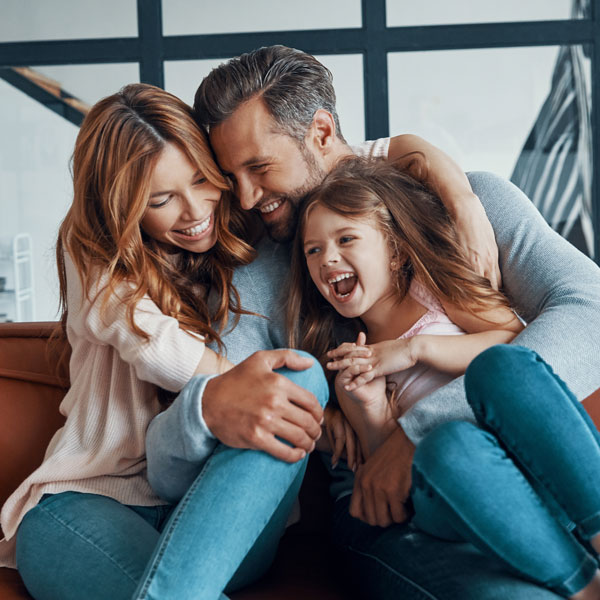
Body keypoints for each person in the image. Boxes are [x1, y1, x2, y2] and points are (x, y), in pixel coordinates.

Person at [148, 44, 600, 599]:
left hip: (513, 473)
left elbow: (591, 315)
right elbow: (214, 413)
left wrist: (417, 432)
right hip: (387, 516)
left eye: (260, 168)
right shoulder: (257, 275)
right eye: (230, 175)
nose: (244, 197)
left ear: (319, 132)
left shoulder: (466, 204)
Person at [0, 83, 328, 600]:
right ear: (121, 208)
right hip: (89, 500)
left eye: (203, 180)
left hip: (216, 514)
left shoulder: (247, 231)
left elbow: (328, 158)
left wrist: (419, 155)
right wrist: (234, 388)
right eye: (161, 199)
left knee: (298, 374)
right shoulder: (95, 255)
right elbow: (153, 345)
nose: (195, 210)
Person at [289, 156, 600, 599]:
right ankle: (588, 590)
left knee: (500, 370)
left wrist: (415, 348)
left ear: (394, 251)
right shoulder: (348, 359)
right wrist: (370, 405)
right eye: (313, 250)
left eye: (346, 239)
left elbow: (514, 343)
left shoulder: (434, 293)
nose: (328, 258)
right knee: (447, 448)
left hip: (514, 469)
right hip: (443, 493)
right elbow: (387, 472)